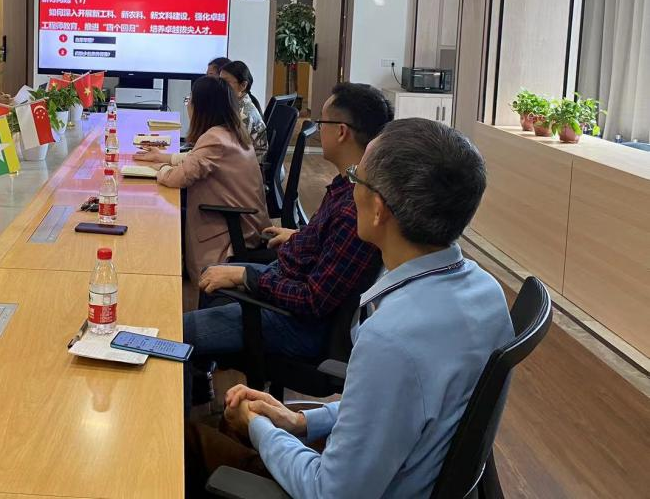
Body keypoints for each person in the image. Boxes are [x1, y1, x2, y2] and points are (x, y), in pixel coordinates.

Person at [185, 118, 514, 499]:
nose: (349, 187)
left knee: (188, 439)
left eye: (357, 177)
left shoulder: (391, 339)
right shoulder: (487, 293)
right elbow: (393, 409)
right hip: (405, 474)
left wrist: (259, 428)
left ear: (378, 210)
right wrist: (300, 421)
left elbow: (329, 492)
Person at [181, 83, 391, 397]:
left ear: (342, 132)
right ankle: (201, 382)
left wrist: (247, 277)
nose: (319, 130)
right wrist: (299, 236)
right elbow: (329, 249)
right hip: (287, 284)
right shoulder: (348, 186)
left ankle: (181, 418)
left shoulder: (354, 207)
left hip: (297, 324)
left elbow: (313, 300)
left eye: (322, 123)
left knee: (176, 334)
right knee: (212, 281)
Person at [135, 76, 270, 310]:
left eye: (189, 100)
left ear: (203, 107)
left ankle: (155, 297)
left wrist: (159, 169)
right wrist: (164, 157)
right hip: (246, 223)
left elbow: (180, 177)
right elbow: (196, 158)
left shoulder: (215, 138)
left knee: (161, 215)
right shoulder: (231, 132)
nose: (188, 105)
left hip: (232, 231)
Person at [219, 61, 267, 164]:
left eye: (225, 82)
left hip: (250, 166)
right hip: (244, 161)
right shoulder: (239, 104)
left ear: (243, 85)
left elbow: (228, 149)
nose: (220, 86)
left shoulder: (243, 114)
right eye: (220, 81)